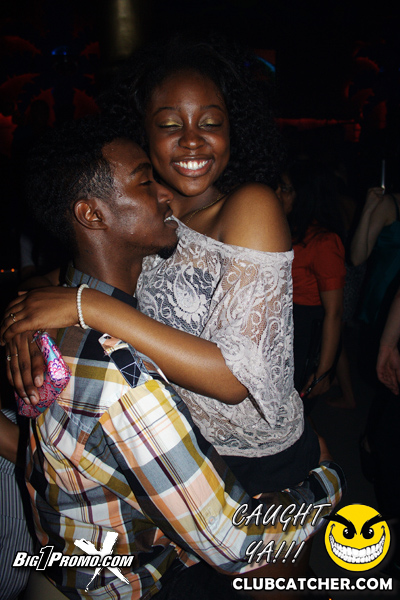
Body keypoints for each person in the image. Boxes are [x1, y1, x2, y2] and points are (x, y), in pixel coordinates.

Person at [0, 116, 344, 600]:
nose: (166, 194)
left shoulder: (52, 314)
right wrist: (325, 479)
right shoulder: (121, 380)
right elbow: (238, 544)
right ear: (92, 214)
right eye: (146, 182)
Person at [5, 36, 318, 496]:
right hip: (175, 449)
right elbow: (56, 283)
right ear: (144, 134)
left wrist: (87, 306)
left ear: (234, 129)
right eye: (170, 124)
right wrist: (23, 324)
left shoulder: (251, 207)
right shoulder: (153, 219)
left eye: (210, 122)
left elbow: (235, 379)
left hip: (259, 465)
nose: (192, 138)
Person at [280, 160, 346, 412]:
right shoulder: (288, 228)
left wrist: (323, 372)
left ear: (304, 195)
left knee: (295, 407)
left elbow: (334, 312)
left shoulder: (324, 241)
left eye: (286, 188)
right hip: (284, 322)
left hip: (304, 328)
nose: (278, 193)